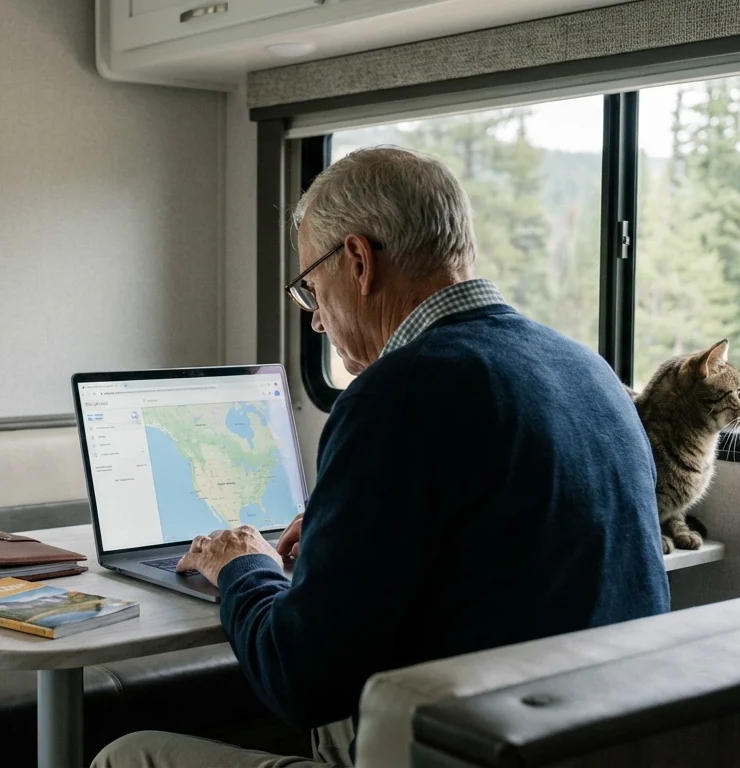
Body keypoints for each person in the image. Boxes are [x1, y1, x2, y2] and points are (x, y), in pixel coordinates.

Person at [92, 146, 670, 768]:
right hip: (594, 740)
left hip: (460, 751)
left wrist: (243, 565)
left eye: (312, 290)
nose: (316, 321)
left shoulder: (396, 393)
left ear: (359, 261)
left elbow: (298, 682)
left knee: (125, 756)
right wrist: (342, 534)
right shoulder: (591, 371)